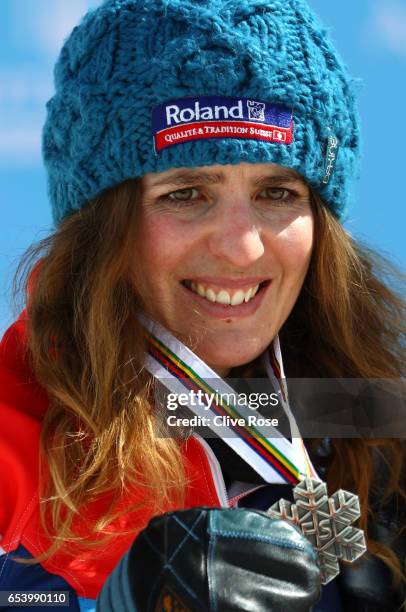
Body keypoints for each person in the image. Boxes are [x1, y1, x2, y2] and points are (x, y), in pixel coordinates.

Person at [0, 0, 405, 610]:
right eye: (185, 193)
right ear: (100, 227)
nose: (242, 249)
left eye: (277, 191)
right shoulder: (16, 444)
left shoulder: (367, 418)